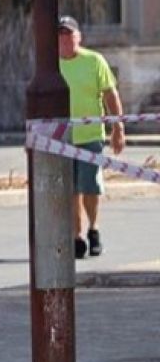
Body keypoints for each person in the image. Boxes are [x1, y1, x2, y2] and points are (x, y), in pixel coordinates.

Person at [57, 15, 126, 259]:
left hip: (90, 135)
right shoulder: (51, 65)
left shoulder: (94, 61)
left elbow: (110, 95)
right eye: (61, 35)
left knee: (90, 186)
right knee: (70, 190)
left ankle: (93, 230)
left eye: (69, 35)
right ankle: (76, 236)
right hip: (61, 139)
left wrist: (118, 129)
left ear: (79, 37)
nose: (65, 40)